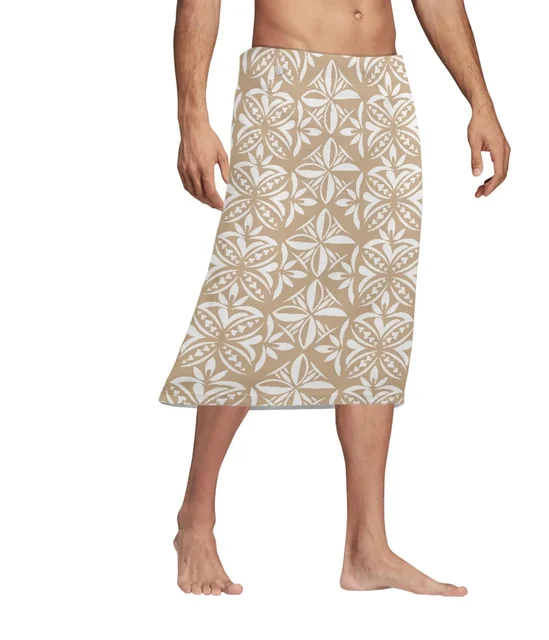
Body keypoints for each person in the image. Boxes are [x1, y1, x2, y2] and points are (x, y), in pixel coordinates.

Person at [161, 0, 509, 596]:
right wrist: (192, 113)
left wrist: (481, 99)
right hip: (287, 82)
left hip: (381, 91)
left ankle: (367, 547)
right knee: (250, 300)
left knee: (376, 310)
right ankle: (196, 519)